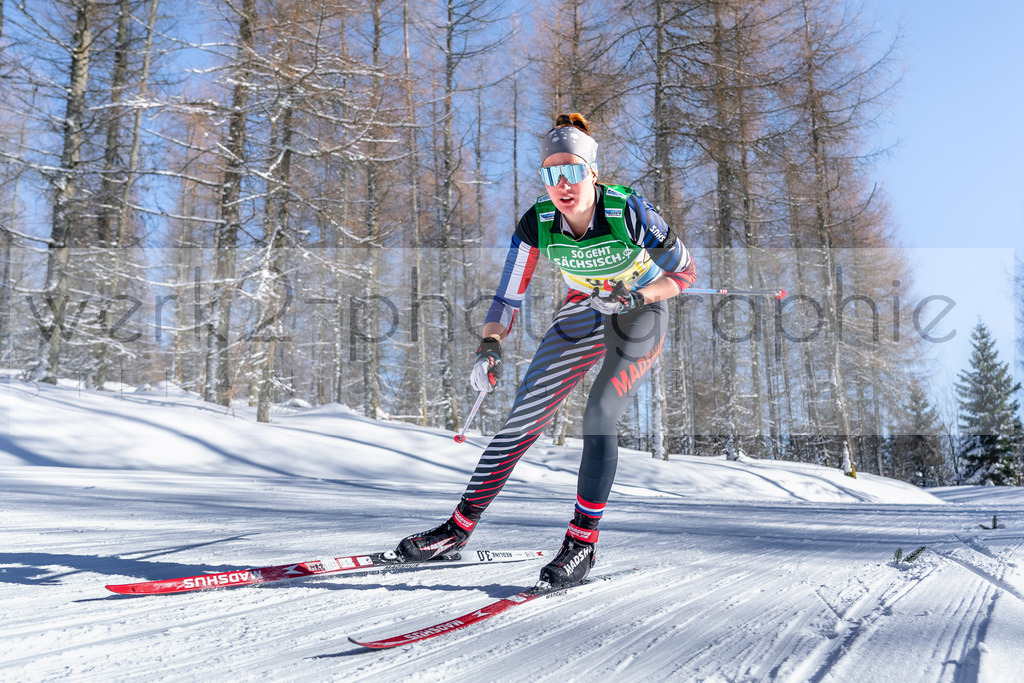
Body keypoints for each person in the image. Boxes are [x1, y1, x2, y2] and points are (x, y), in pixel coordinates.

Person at [394, 113, 696, 587]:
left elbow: (684, 275)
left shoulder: (628, 211)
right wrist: (489, 346)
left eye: (572, 170)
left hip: (638, 310)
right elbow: (507, 297)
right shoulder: (538, 222)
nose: (562, 183)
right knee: (523, 417)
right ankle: (456, 531)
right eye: (551, 173)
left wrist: (637, 295)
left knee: (598, 413)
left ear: (592, 172)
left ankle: (581, 546)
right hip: (582, 307)